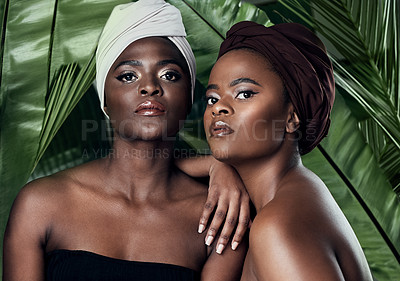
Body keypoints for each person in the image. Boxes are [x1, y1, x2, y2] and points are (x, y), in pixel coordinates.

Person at [2, 1, 249, 280]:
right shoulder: (40, 204)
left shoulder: (219, 218)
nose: (150, 87)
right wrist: (214, 165)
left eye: (169, 75)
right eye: (128, 76)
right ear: (104, 100)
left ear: (189, 97)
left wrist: (221, 166)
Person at [181, 21, 373, 280]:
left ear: (292, 117)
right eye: (213, 99)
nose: (218, 108)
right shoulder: (301, 196)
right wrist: (215, 165)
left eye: (244, 93)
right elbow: (148, 174)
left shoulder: (278, 226)